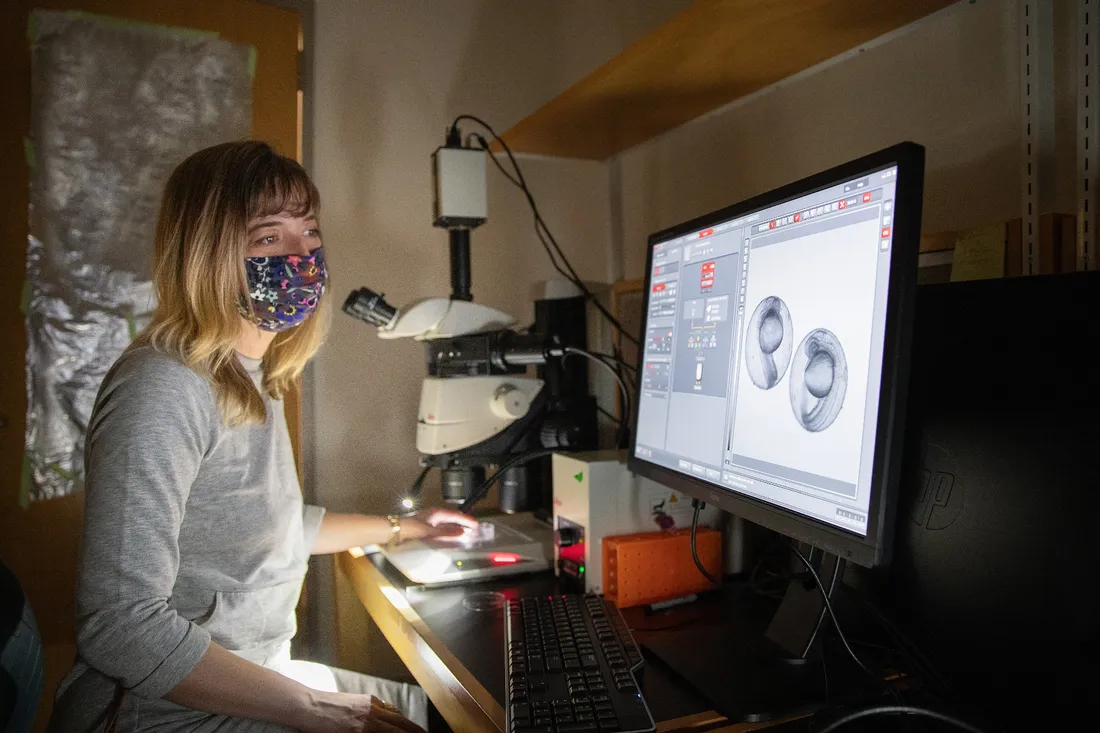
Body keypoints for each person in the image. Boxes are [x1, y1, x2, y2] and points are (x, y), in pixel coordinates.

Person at [48, 141, 476, 733]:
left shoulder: (254, 375)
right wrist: (313, 709)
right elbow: (121, 623)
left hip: (258, 675)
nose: (302, 254)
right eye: (269, 237)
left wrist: (405, 528)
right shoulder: (165, 387)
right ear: (208, 254)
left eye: (309, 232)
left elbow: (263, 528)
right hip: (164, 713)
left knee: (443, 713)